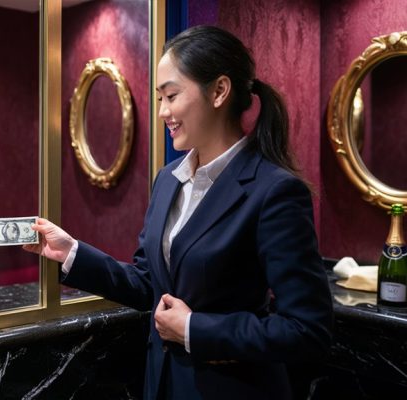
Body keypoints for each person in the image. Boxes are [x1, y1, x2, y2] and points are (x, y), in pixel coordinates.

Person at [24, 25, 333, 399]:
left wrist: (193, 330)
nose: (162, 112)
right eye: (159, 98)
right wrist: (71, 252)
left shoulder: (275, 190)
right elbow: (149, 284)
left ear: (219, 91)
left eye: (171, 96)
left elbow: (307, 331)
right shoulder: (168, 180)